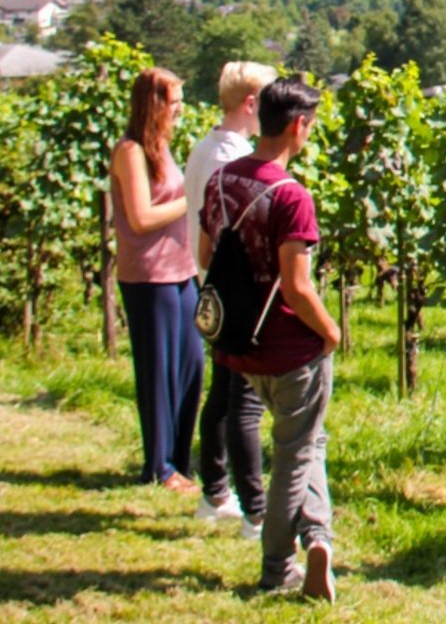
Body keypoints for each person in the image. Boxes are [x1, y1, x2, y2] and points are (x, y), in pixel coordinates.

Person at [196, 77, 339, 601]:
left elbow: (207, 256)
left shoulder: (220, 180)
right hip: (289, 345)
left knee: (307, 441)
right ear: (298, 126)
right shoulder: (291, 196)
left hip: (240, 342)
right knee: (295, 454)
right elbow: (298, 287)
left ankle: (319, 537)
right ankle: (278, 565)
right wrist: (331, 331)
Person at [185, 60, 277, 537]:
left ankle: (215, 491)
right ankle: (254, 512)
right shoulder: (231, 159)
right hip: (235, 290)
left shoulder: (206, 147)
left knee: (222, 393)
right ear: (250, 104)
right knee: (243, 399)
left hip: (213, 287)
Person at [109, 66, 201, 492]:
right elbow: (141, 217)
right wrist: (190, 202)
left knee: (190, 365)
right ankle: (159, 466)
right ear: (154, 104)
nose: (180, 111)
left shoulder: (161, 147)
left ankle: (180, 460)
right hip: (149, 276)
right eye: (174, 103)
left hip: (180, 270)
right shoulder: (130, 152)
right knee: (158, 370)